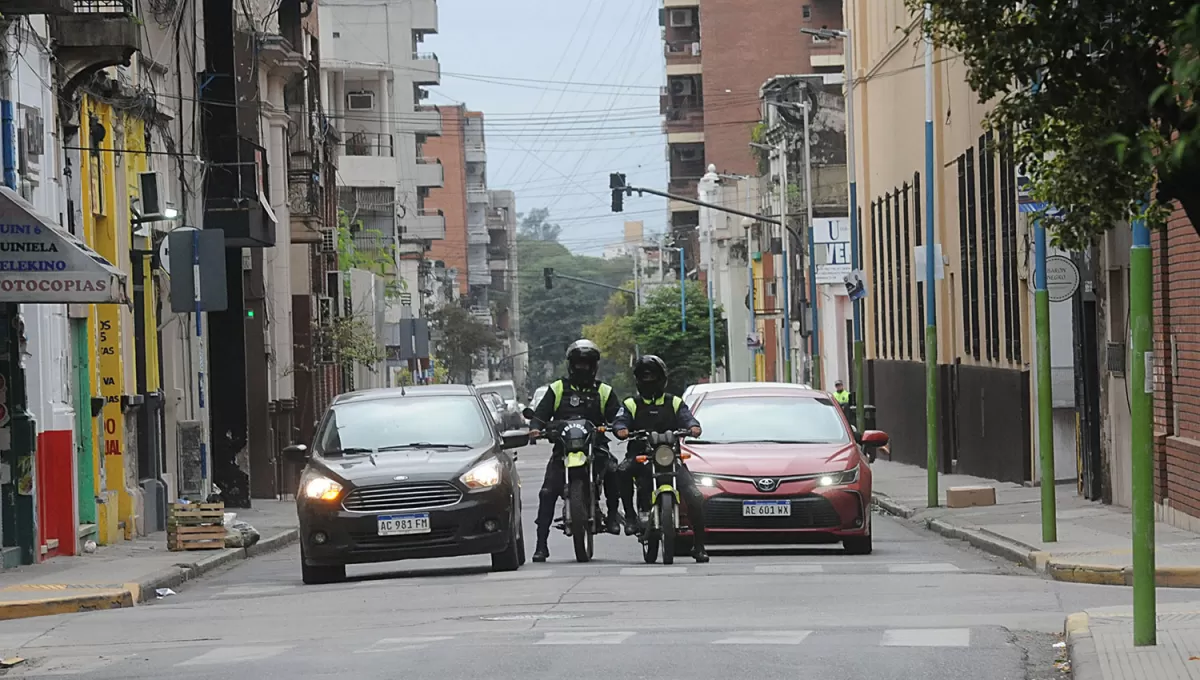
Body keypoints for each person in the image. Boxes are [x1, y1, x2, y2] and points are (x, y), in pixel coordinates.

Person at [527, 339, 623, 562]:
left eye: (587, 364)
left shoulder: (605, 391)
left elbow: (618, 417)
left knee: (614, 470)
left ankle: (612, 518)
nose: (583, 368)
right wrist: (535, 428)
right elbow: (540, 415)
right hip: (563, 450)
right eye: (579, 363)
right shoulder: (557, 389)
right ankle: (541, 544)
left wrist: (619, 427)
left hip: (595, 447)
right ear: (571, 365)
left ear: (594, 366)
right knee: (547, 492)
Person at [613, 355, 709, 563]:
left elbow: (687, 417)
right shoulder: (631, 404)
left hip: (670, 458)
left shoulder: (673, 402)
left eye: (652, 376)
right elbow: (620, 420)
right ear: (638, 380)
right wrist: (621, 429)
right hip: (641, 457)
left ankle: (699, 546)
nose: (649, 380)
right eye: (644, 376)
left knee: (694, 494)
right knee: (621, 471)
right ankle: (630, 516)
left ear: (661, 378)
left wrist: (693, 426)